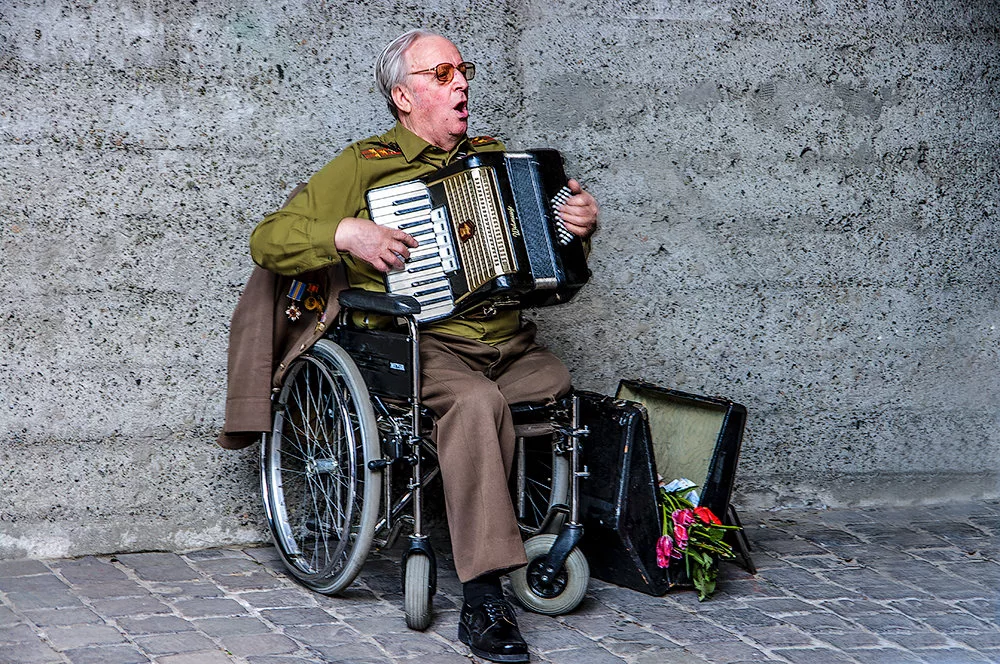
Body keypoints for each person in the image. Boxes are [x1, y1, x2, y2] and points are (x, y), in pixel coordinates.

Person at [248, 29, 598, 663]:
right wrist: (345, 231)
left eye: (462, 70)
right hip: (420, 344)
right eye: (441, 75)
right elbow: (269, 240)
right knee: (473, 404)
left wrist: (575, 231)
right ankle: (484, 598)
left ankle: (552, 532)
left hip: (509, 344)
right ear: (403, 97)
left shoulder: (498, 160)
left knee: (556, 386)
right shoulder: (365, 164)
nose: (461, 83)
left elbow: (550, 274)